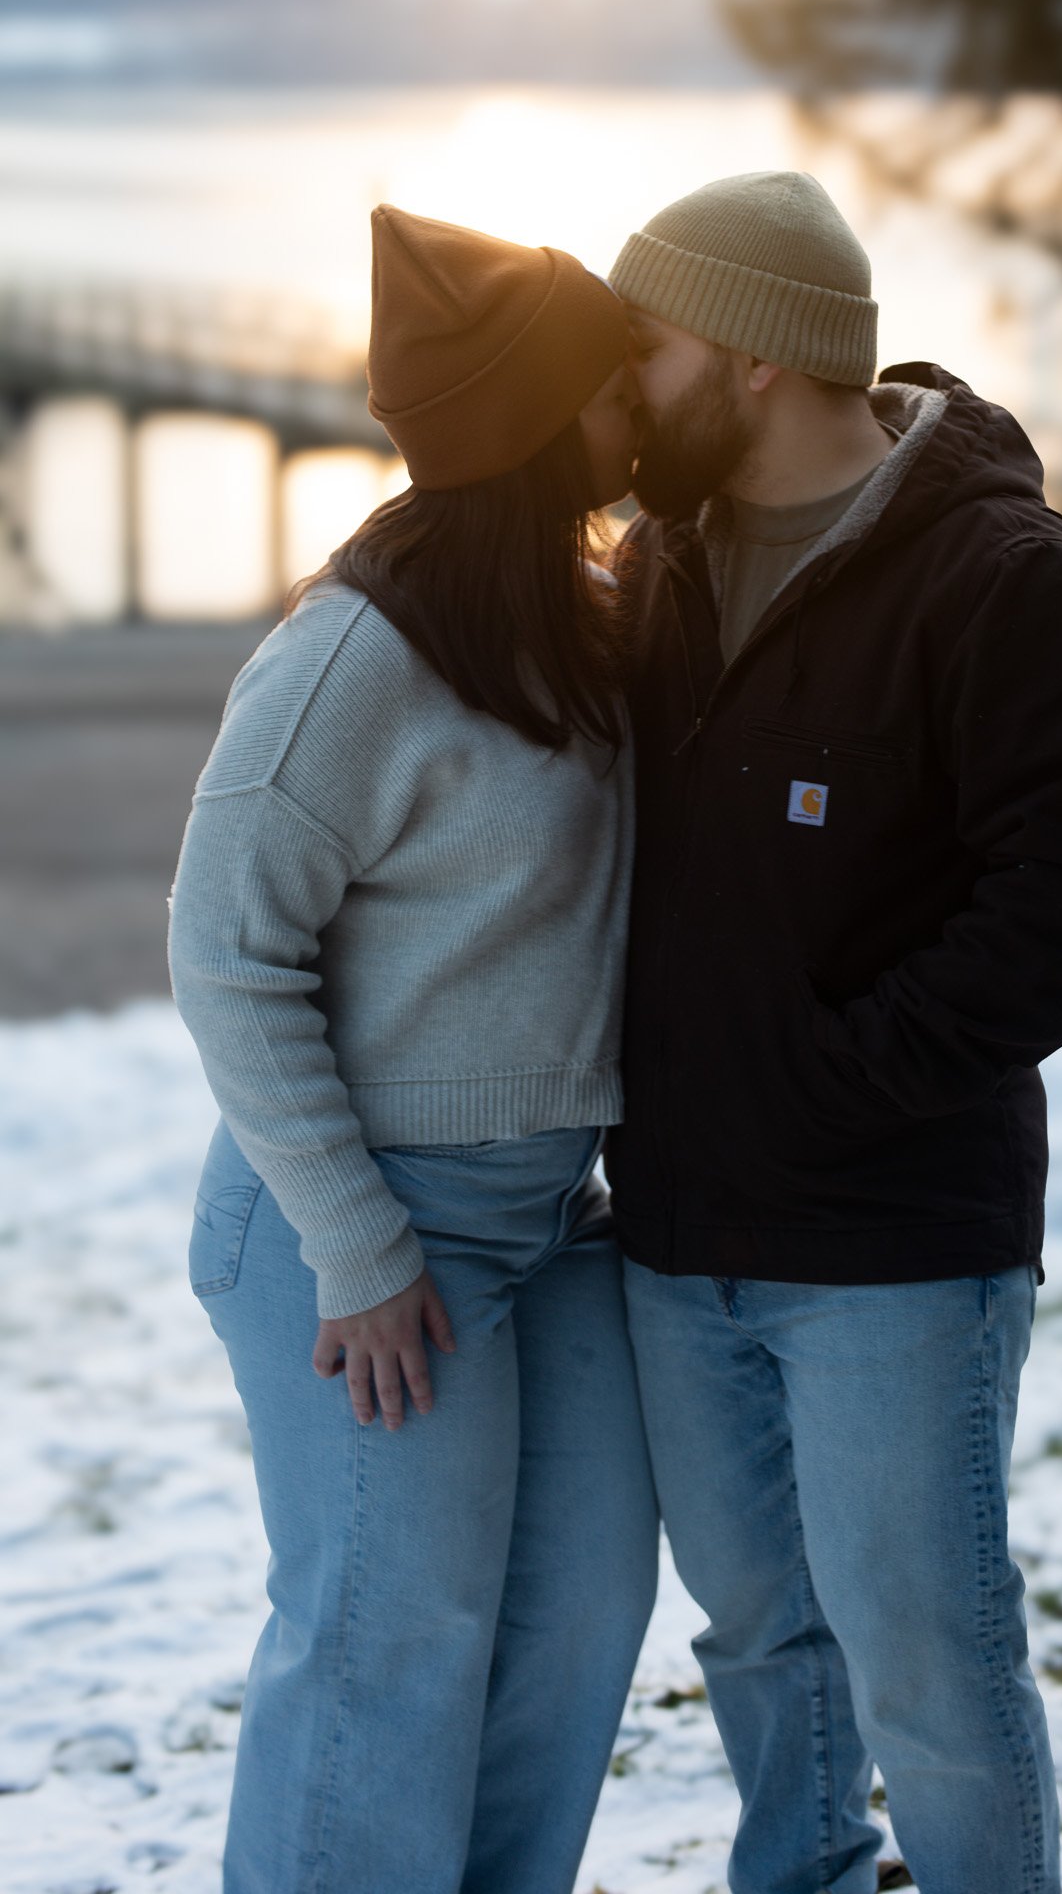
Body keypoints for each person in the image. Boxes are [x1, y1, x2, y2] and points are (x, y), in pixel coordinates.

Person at [607, 170, 1062, 1894]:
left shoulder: (998, 574)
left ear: (754, 359)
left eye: (644, 346)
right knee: (759, 1645)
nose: (620, 384)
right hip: (674, 1231)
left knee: (927, 1665)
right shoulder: (658, 562)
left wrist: (845, 1079)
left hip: (895, 1240)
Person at [168, 204, 659, 1894]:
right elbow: (223, 950)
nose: (640, 413)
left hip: (547, 1216)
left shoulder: (585, 620)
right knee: (389, 1649)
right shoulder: (351, 656)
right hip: (362, 1237)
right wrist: (360, 1250)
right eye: (611, 387)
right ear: (541, 424)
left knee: (580, 1617)